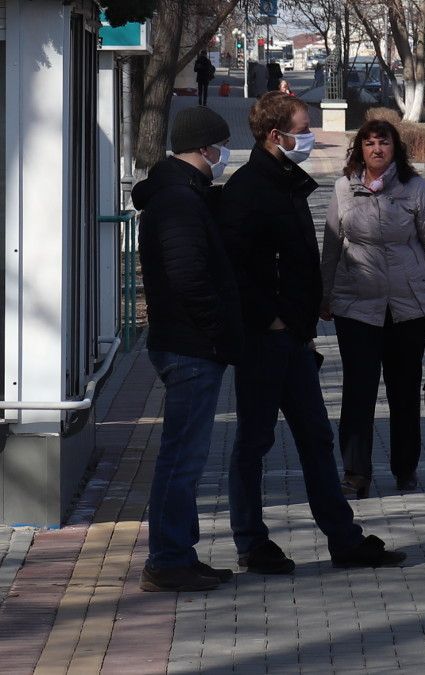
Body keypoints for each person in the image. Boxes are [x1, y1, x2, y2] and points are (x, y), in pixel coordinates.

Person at [221, 91, 406, 573]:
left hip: (295, 338)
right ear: (274, 135)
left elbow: (299, 260)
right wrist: (272, 317)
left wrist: (301, 322)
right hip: (266, 339)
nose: (309, 137)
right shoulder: (248, 189)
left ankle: (344, 540)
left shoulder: (286, 183)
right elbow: (236, 270)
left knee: (316, 439)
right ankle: (251, 543)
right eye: (303, 129)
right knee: (255, 442)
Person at [133, 106, 242, 592]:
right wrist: (219, 331)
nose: (223, 154)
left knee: (186, 457)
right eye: (220, 146)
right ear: (205, 148)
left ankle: (179, 552)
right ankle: (167, 559)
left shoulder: (181, 192)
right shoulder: (178, 200)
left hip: (186, 341)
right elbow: (187, 277)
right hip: (190, 345)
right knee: (182, 458)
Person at [320, 119, 425, 499]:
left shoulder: (416, 187)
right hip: (356, 306)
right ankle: (356, 472)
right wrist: (323, 296)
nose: (377, 149)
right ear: (359, 149)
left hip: (409, 307)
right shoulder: (344, 188)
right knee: (358, 392)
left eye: (384, 143)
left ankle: (405, 469)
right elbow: (330, 246)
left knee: (404, 393)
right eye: (369, 143)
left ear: (396, 148)